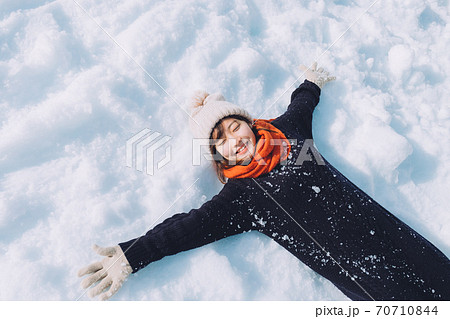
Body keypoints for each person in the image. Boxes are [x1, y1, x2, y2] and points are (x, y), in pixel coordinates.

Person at [78, 63, 450, 301]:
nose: (234, 138)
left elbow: (300, 105)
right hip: (372, 283)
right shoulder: (242, 198)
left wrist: (311, 82)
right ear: (219, 155)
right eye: (220, 139)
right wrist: (133, 253)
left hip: (399, 240)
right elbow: (187, 227)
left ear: (249, 122)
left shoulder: (288, 134)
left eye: (234, 125)